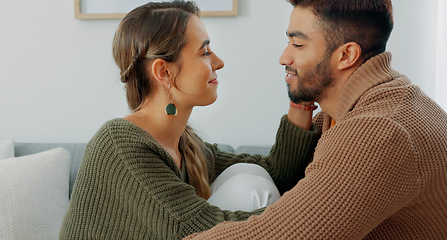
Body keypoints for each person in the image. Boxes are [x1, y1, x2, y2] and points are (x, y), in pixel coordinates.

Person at [185, 0, 447, 239]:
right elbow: (284, 174)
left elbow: (284, 233)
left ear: (346, 55)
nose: (284, 57)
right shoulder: (362, 106)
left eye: (298, 44)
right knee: (246, 175)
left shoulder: (379, 131)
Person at [59, 1, 320, 239]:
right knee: (248, 187)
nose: (219, 62)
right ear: (164, 71)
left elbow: (277, 173)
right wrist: (327, 214)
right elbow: (197, 229)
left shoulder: (184, 143)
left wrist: (303, 95)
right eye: (205, 52)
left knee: (249, 174)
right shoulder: (120, 145)